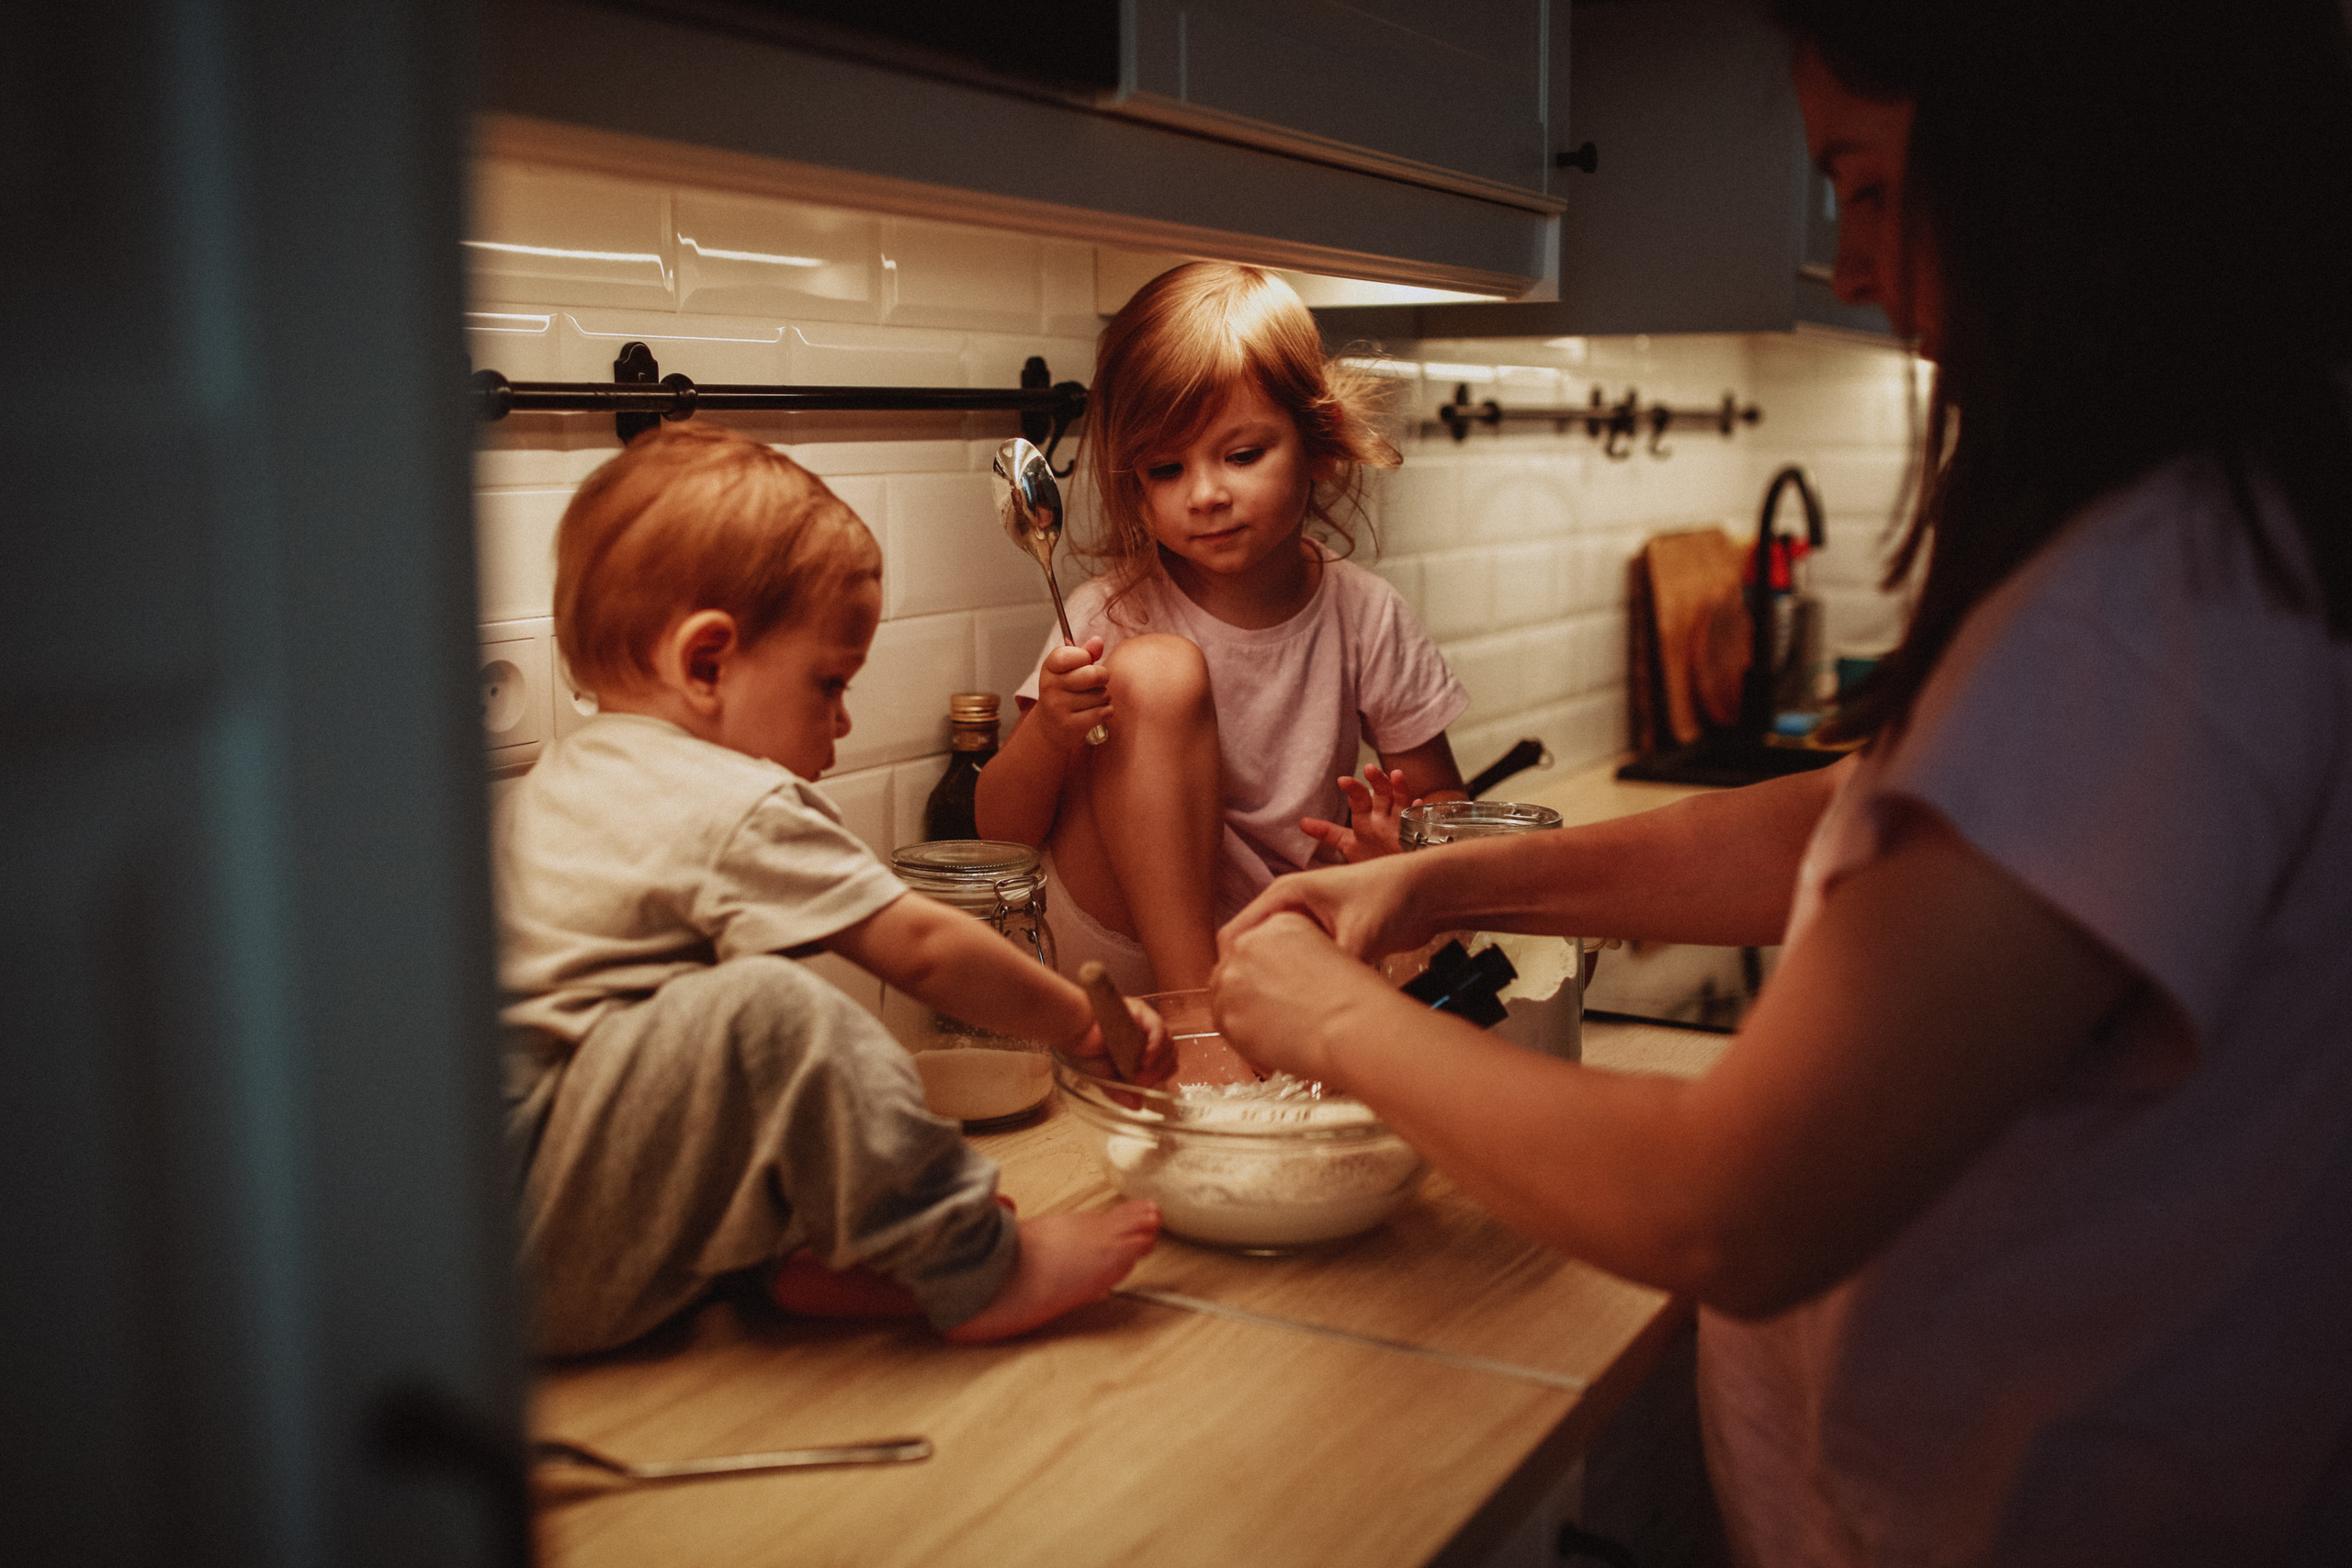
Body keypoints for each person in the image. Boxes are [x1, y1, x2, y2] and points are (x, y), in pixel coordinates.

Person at [1209, 1, 2352, 1562]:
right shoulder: (2217, 536)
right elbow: (1867, 824)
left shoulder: (2146, 605)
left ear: (2060, 171)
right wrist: (1447, 873)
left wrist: (1336, 1020)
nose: (1860, 263)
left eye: (1872, 185)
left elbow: (1729, 1208)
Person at [496, 421, 1166, 1358]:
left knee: (718, 1038)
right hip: (550, 1242)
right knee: (768, 1014)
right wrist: (1083, 1025)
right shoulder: (729, 798)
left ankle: (800, 1259)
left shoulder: (568, 777)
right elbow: (926, 949)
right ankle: (982, 1267)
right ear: (704, 664)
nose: (842, 724)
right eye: (827, 685)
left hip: (501, 1235)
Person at [975, 262, 1472, 1007]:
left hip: (1274, 944)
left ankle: (1229, 1019)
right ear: (1135, 485)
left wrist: (1399, 845)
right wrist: (1049, 730)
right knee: (1155, 674)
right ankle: (1198, 1022)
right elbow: (1002, 836)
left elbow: (1448, 814)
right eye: (1167, 468)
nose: (1205, 494)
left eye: (1242, 455)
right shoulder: (1109, 613)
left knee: (1438, 922)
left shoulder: (1367, 615)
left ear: (1319, 443)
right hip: (1117, 952)